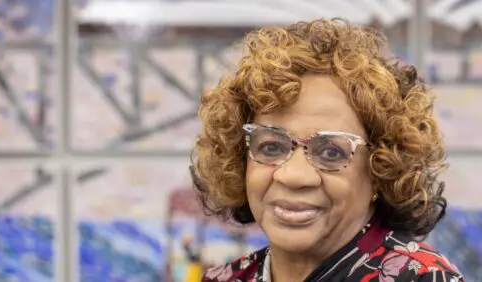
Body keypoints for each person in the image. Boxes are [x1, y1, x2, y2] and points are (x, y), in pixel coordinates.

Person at [191, 18, 464, 281]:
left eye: (331, 152)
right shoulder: (225, 278)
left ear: (382, 171)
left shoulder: (424, 279)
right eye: (271, 146)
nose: (293, 176)